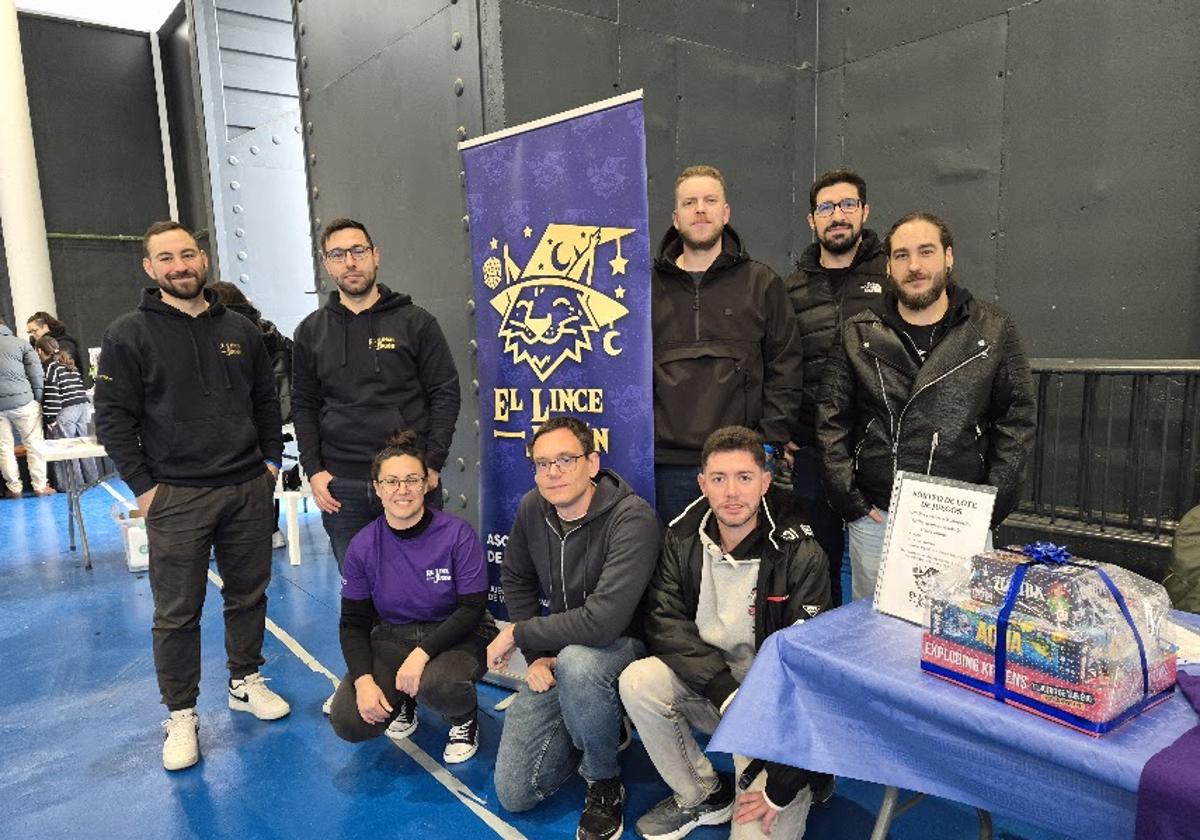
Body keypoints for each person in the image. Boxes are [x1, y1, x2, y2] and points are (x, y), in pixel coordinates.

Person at [94, 221, 289, 772]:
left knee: (248, 594)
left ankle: (245, 680)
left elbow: (266, 401)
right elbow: (113, 418)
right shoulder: (128, 334)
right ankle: (181, 713)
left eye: (187, 254)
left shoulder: (241, 330)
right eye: (166, 258)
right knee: (177, 612)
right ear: (149, 268)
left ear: (202, 259)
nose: (179, 265)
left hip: (246, 486)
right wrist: (145, 488)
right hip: (176, 495)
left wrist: (270, 464)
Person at [620, 426, 832, 840]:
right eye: (719, 478)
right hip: (717, 688)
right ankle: (703, 794)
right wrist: (724, 691)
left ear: (765, 482)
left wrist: (783, 784)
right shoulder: (682, 536)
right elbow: (664, 620)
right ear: (702, 484)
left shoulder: (801, 553)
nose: (731, 492)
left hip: (774, 716)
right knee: (638, 681)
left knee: (757, 829)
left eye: (744, 477)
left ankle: (811, 776)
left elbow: (807, 678)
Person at [817, 212, 1036, 600]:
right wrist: (850, 500)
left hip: (961, 517)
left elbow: (1016, 420)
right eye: (901, 255)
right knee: (874, 627)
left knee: (958, 625)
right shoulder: (857, 332)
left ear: (948, 257)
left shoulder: (992, 329)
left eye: (926, 251)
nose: (914, 266)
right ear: (888, 266)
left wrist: (991, 504)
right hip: (879, 517)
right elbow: (831, 417)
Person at [488, 416, 659, 840]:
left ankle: (604, 780)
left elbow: (603, 623)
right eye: (542, 463)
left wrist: (518, 634)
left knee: (580, 665)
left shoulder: (632, 518)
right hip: (558, 649)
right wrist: (536, 657)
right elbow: (516, 578)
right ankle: (600, 723)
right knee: (515, 792)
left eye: (565, 459)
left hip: (624, 646)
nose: (553, 472)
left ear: (592, 462)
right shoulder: (533, 507)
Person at [292, 218, 461, 571]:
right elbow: (304, 404)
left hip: (409, 480)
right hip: (343, 487)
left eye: (358, 251)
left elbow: (445, 393)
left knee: (423, 582)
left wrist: (432, 462)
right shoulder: (310, 332)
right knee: (359, 588)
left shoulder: (416, 322)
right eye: (338, 255)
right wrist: (314, 470)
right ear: (327, 264)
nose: (350, 262)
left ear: (375, 256)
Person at [328, 430, 496, 763]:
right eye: (391, 481)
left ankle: (464, 718)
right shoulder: (363, 545)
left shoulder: (457, 534)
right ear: (377, 488)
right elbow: (353, 623)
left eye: (411, 480)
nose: (402, 489)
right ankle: (403, 699)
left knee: (439, 685)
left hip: (458, 632)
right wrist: (363, 681)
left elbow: (472, 608)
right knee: (349, 720)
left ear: (426, 484)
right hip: (394, 635)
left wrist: (420, 655)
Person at [651, 165, 803, 524]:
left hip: (741, 463)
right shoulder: (645, 288)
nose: (700, 210)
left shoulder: (762, 284)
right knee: (673, 559)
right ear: (675, 217)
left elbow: (786, 367)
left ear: (726, 212)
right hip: (667, 467)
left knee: (745, 559)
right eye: (689, 203)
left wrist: (768, 443)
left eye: (710, 201)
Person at [783, 169, 887, 605]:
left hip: (877, 451)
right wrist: (786, 431)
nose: (837, 215)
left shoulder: (892, 278)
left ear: (865, 211)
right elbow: (781, 364)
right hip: (812, 450)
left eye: (847, 204)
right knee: (818, 562)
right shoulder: (791, 289)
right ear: (812, 219)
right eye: (826, 207)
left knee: (874, 571)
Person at [211, 280, 293, 549]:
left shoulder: (216, 331)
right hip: (275, 415)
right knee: (267, 473)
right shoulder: (269, 330)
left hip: (234, 418)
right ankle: (272, 529)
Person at [35, 335, 98, 487]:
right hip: (83, 407)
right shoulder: (68, 363)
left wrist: (50, 417)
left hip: (67, 410)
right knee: (85, 447)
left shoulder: (50, 367)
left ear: (39, 351)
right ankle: (93, 480)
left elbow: (53, 393)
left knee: (67, 449)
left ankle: (73, 485)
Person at [0, 317, 53, 497]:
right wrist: (37, 398)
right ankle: (40, 486)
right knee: (34, 444)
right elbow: (36, 373)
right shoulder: (21, 344)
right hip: (24, 402)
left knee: (4, 448)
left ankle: (14, 488)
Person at [27, 311, 86, 382]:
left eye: (35, 331)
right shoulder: (36, 345)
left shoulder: (64, 343)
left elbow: (63, 364)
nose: (33, 335)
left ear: (45, 326)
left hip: (65, 384)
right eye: (30, 332)